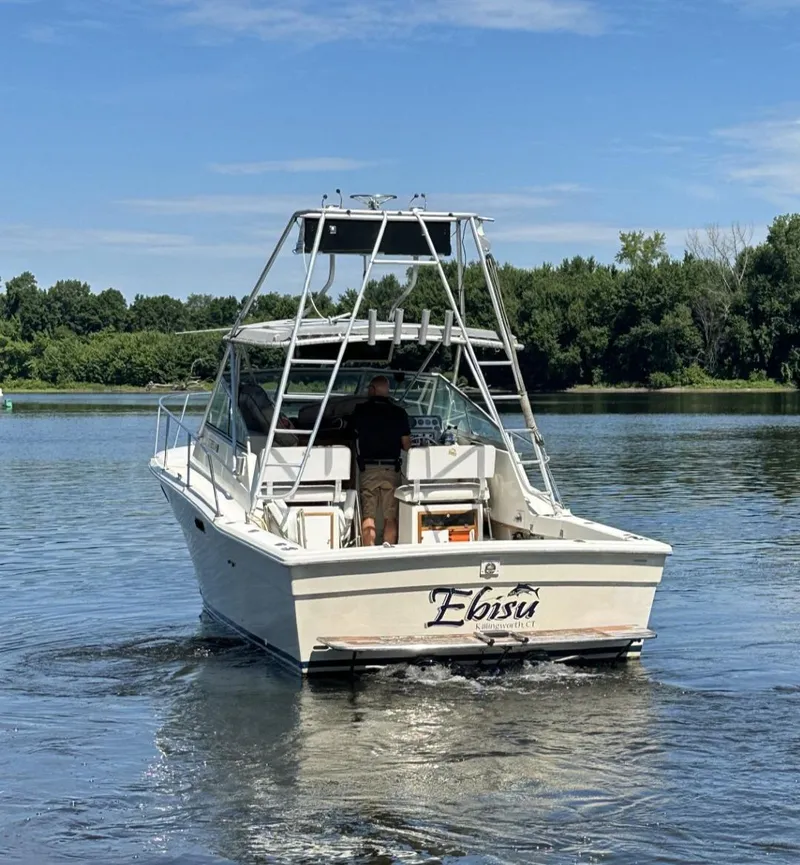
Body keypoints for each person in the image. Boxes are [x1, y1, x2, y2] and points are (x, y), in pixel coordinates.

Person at [351, 375, 411, 546]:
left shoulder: (360, 410)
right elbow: (407, 445)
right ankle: (389, 549)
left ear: (372, 389)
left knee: (368, 516)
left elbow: (351, 434)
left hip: (368, 469)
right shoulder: (399, 413)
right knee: (390, 516)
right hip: (391, 469)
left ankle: (368, 551)